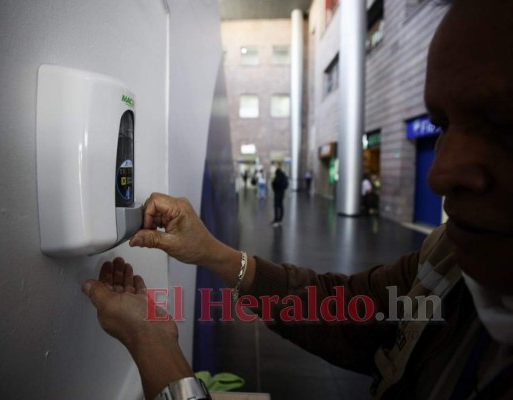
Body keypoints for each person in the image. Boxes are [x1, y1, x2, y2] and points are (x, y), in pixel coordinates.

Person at [82, 1, 513, 398]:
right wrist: (212, 253)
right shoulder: (445, 263)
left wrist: (151, 342)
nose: (440, 174)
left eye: (502, 125)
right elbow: (344, 311)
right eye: (442, 127)